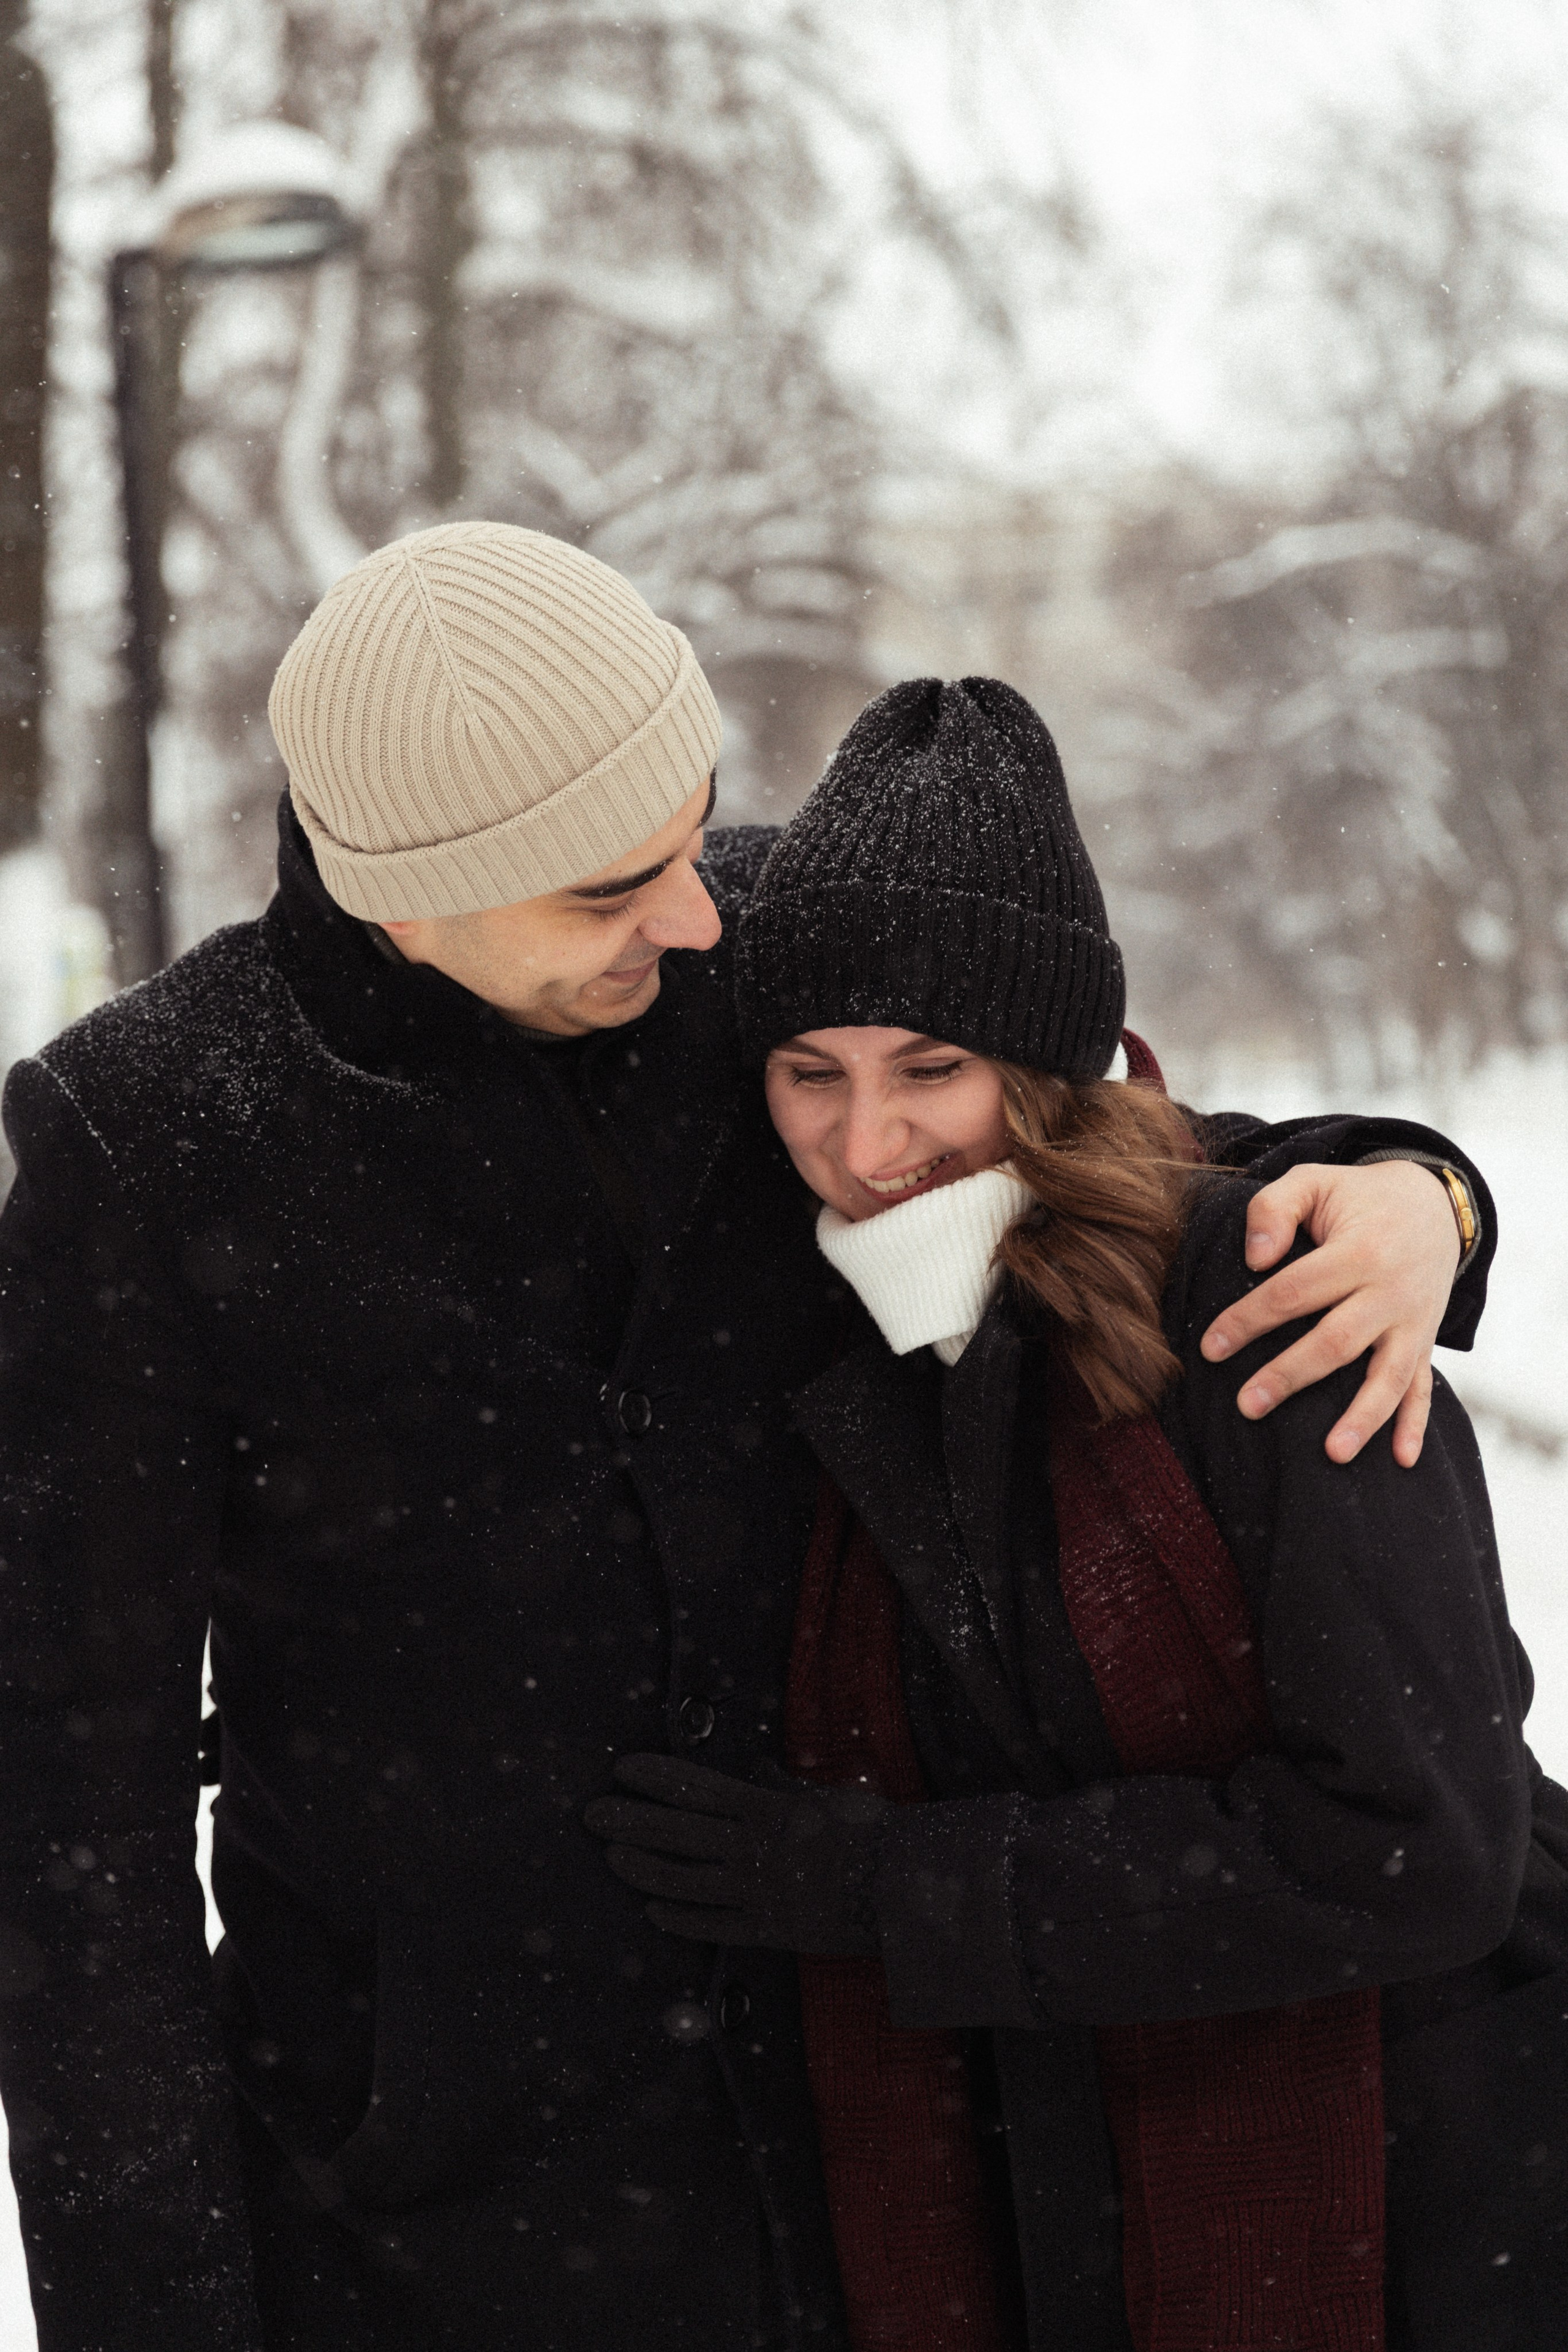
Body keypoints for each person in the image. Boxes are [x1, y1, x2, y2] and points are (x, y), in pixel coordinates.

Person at [0, 534, 1499, 2352]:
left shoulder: (746, 945)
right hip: (436, 2193)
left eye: (696, 824)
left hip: (886, 2120)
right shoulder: (149, 1141)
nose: (698, 912)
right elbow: (79, 1818)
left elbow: (1093, 1141)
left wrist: (1421, 1189)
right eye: (616, 887)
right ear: (410, 892)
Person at [588, 677, 1568, 2352]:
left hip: (1424, 2192)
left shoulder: (1279, 1301)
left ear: (1047, 1067)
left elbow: (1417, 1844)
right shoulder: (858, 1321)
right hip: (1070, 2188)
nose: (865, 1139)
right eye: (807, 1072)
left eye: (933, 1067)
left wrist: (897, 1893)